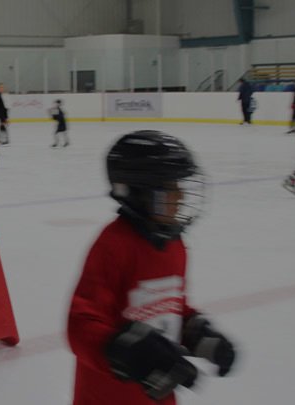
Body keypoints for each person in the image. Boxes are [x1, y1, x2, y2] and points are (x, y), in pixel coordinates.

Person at [67, 131, 236, 405]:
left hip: (158, 395)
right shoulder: (113, 245)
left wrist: (198, 334)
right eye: (170, 187)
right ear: (139, 193)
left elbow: (170, 306)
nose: (180, 196)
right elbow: (81, 325)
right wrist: (129, 351)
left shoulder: (175, 245)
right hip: (107, 397)